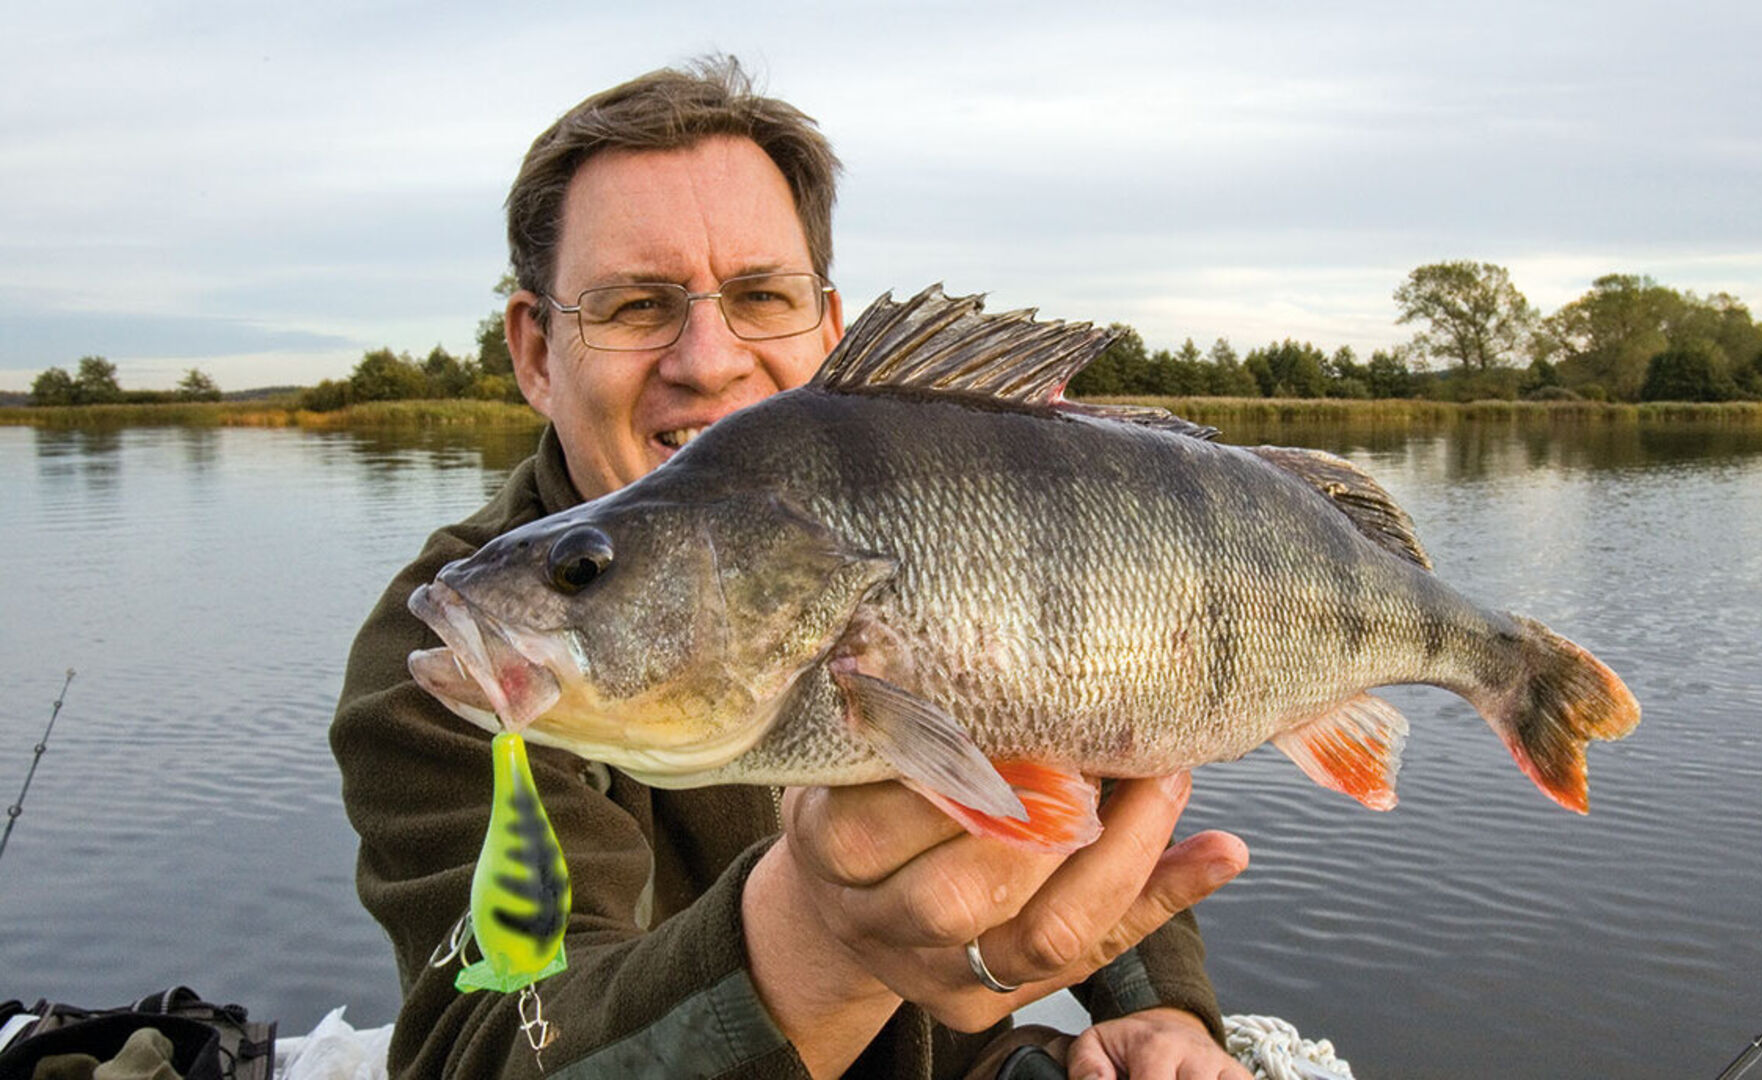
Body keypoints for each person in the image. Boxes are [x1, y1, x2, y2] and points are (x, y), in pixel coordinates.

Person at [332, 57, 1252, 1080]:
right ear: (537, 351)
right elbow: (497, 1045)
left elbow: (1082, 751)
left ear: (828, 328)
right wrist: (819, 939)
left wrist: (1163, 1011)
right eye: (637, 306)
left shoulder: (943, 509)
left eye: (761, 296)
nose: (710, 358)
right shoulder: (484, 638)